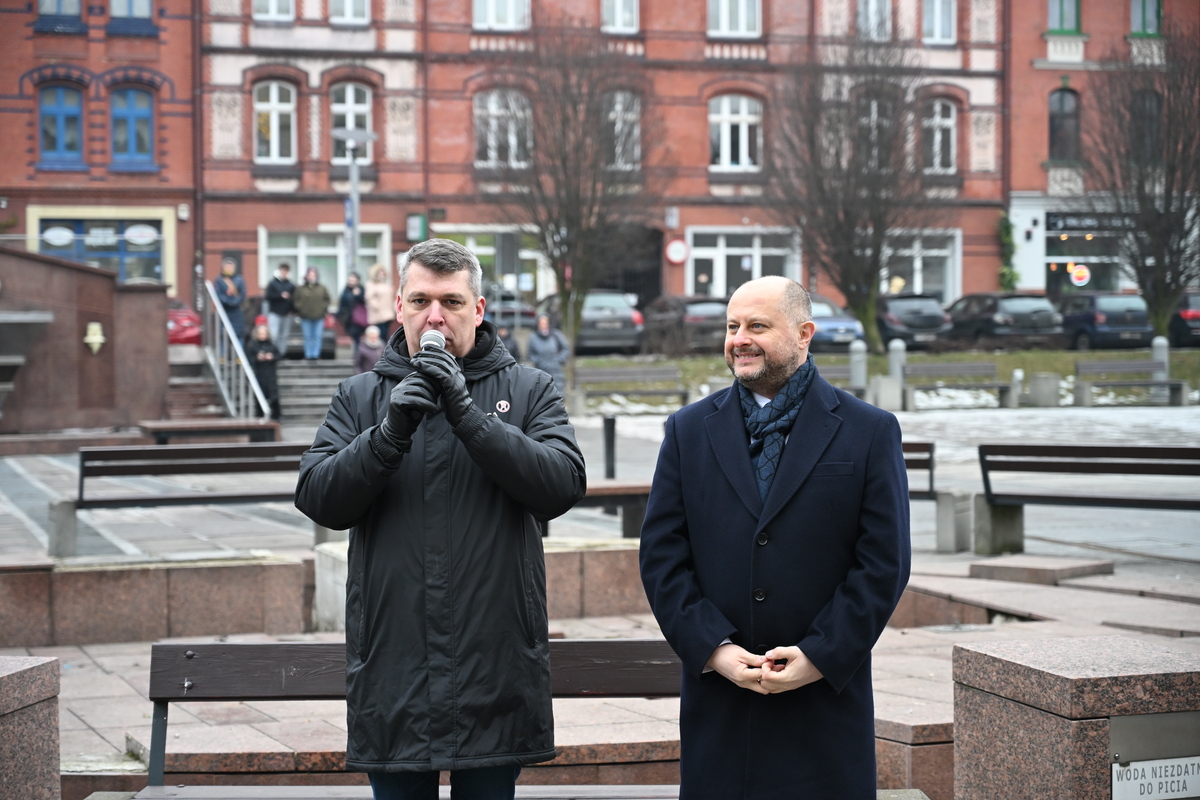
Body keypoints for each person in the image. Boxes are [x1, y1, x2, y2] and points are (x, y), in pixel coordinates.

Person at [294, 238, 587, 800]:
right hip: (393, 667)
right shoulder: (359, 396)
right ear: (399, 308)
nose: (435, 315)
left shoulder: (529, 390)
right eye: (421, 300)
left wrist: (470, 417)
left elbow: (561, 485)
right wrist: (386, 435)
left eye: (452, 301)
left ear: (477, 310)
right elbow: (318, 497)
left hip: (496, 666)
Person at [638, 276, 911, 799]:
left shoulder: (869, 430)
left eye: (757, 326)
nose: (739, 338)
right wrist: (713, 648)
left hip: (824, 708)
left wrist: (821, 655)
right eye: (733, 326)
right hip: (721, 710)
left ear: (804, 333)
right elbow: (662, 558)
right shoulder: (688, 431)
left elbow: (884, 563)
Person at [244, 323, 282, 420]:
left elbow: (278, 356)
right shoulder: (252, 345)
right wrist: (257, 358)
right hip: (259, 373)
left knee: (274, 395)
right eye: (260, 334)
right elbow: (249, 358)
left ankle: (276, 416)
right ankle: (260, 415)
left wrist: (271, 357)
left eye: (264, 334)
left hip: (270, 373)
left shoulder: (271, 345)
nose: (262, 336)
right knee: (259, 395)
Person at [293, 268, 332, 361]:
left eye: (313, 275)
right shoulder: (301, 289)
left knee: (317, 336)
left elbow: (327, 300)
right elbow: (296, 300)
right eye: (309, 275)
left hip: (319, 316)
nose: (311, 277)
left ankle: (315, 354)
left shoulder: (322, 288)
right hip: (305, 316)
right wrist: (300, 308)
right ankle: (308, 354)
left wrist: (323, 309)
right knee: (307, 336)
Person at [526, 314, 568, 385]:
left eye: (545, 323)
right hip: (541, 371)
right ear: (538, 324)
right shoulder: (533, 338)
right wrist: (538, 361)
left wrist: (559, 359)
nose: (543, 325)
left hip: (556, 371)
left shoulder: (556, 335)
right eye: (541, 323)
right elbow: (529, 353)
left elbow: (565, 348)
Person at [213, 257, 247, 343]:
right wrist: (227, 302)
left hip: (236, 311)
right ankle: (222, 356)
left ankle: (238, 356)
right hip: (224, 310)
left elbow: (242, 294)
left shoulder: (239, 279)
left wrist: (235, 302)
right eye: (227, 267)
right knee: (222, 335)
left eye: (231, 267)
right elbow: (218, 294)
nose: (229, 268)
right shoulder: (219, 280)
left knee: (238, 334)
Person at [264, 263, 295, 351]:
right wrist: (280, 295)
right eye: (283, 271)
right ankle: (272, 352)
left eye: (286, 271)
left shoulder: (291, 285)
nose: (284, 273)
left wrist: (292, 310)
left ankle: (281, 353)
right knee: (274, 334)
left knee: (284, 335)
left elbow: (294, 299)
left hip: (287, 314)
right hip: (275, 313)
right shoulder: (273, 283)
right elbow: (268, 296)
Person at [338, 272, 368, 356]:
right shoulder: (345, 290)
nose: (351, 282)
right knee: (354, 336)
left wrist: (357, 295)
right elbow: (342, 303)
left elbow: (364, 301)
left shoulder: (361, 289)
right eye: (350, 280)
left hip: (359, 318)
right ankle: (357, 353)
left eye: (353, 280)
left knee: (357, 336)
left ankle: (357, 354)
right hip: (349, 318)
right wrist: (338, 315)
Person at [365, 264, 396, 342]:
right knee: (381, 336)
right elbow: (369, 297)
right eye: (380, 273)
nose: (382, 275)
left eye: (383, 273)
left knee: (386, 335)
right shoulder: (371, 284)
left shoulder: (385, 284)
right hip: (379, 315)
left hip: (388, 313)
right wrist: (376, 306)